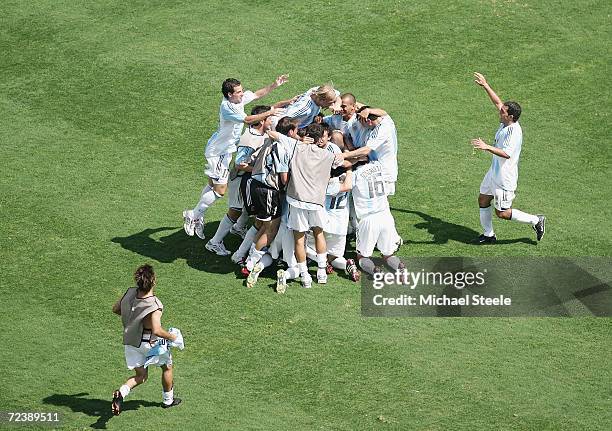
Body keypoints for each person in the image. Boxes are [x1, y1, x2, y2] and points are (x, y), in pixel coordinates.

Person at [183, 75, 287, 240]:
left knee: (212, 184)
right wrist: (270, 112)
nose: (242, 93)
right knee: (220, 190)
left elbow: (257, 94)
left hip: (224, 150)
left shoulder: (237, 101)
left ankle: (197, 214)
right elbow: (248, 119)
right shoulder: (227, 108)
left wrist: (274, 85)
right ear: (229, 94)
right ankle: (194, 215)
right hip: (218, 153)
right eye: (238, 92)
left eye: (241, 90)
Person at [471, 72, 545, 243]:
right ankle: (489, 235)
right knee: (483, 199)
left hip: (504, 179)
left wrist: (486, 147)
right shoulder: (506, 121)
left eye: (503, 111)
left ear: (511, 116)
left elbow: (507, 153)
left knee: (502, 213)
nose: (500, 111)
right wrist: (486, 85)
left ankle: (536, 220)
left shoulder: (514, 133)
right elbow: (498, 102)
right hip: (494, 172)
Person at [111, 264, 184, 415]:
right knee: (167, 367)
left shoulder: (129, 293)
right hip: (150, 343)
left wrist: (132, 320)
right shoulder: (154, 304)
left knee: (141, 376)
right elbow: (157, 330)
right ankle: (168, 401)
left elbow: (116, 309)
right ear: (154, 281)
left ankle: (121, 393)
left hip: (131, 342)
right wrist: (173, 337)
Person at [205, 105, 273, 256]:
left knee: (245, 208)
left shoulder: (263, 134)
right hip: (240, 179)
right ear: (261, 121)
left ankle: (237, 229)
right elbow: (240, 163)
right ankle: (214, 242)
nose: (271, 121)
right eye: (269, 119)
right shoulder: (249, 139)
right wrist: (261, 170)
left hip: (248, 178)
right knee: (235, 210)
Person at [349, 161, 404, 275]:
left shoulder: (354, 175)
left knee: (362, 256)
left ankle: (375, 271)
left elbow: (345, 187)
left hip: (368, 219)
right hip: (386, 216)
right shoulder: (378, 166)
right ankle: (400, 268)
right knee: (388, 254)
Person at [341, 106, 398, 195]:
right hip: (375, 171)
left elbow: (366, 150)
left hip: (384, 174)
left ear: (368, 121)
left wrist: (344, 155)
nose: (361, 126)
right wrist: (368, 110)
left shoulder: (382, 130)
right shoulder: (386, 121)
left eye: (360, 121)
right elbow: (384, 113)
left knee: (380, 205)